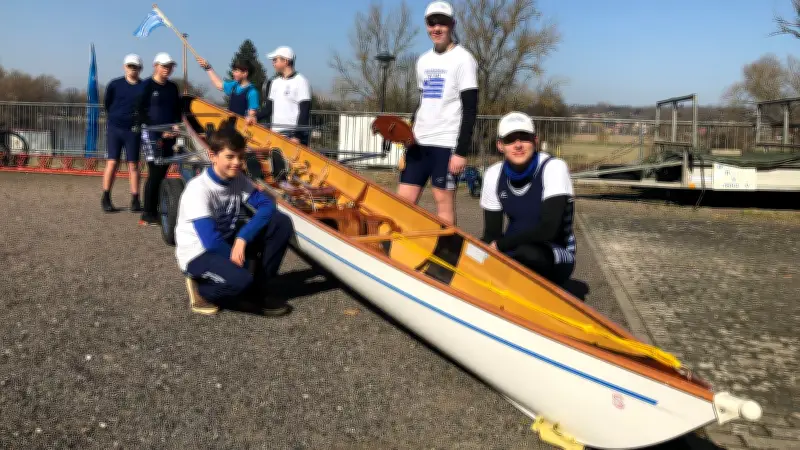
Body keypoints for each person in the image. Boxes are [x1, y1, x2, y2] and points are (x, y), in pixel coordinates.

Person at [174, 124, 294, 316]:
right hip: (200, 253)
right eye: (230, 157)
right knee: (241, 280)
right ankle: (202, 289)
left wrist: (243, 238)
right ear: (212, 156)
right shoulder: (198, 190)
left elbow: (267, 206)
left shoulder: (238, 179)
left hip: (227, 240)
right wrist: (245, 265)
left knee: (280, 222)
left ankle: (260, 286)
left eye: (241, 156)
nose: (237, 163)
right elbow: (211, 242)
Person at [398, 0, 478, 225]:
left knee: (442, 204)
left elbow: (470, 109)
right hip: (419, 143)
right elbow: (422, 102)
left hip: (446, 143)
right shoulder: (423, 61)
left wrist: (461, 151)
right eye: (432, 23)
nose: (436, 28)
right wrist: (408, 139)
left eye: (442, 23)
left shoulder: (464, 59)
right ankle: (399, 254)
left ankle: (446, 257)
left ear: (452, 24)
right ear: (426, 25)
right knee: (402, 202)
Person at [479, 112, 577, 287]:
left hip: (555, 250)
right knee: (470, 250)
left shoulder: (553, 167)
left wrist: (501, 246)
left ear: (535, 140)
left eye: (524, 138)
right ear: (500, 145)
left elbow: (549, 230)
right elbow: (491, 235)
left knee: (527, 254)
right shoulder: (493, 174)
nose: (518, 145)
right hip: (514, 248)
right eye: (510, 139)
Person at [133, 52, 183, 226]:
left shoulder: (172, 87)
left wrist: (176, 125)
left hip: (170, 134)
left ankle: (157, 209)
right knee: (155, 172)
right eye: (164, 66)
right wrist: (159, 132)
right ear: (155, 66)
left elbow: (177, 110)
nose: (167, 70)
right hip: (152, 134)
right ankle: (147, 213)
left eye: (169, 66)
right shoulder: (146, 86)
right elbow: (139, 112)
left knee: (163, 172)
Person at [101, 54, 145, 213]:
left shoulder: (144, 86)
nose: (132, 70)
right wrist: (115, 117)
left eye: (136, 67)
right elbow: (107, 103)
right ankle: (106, 196)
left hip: (133, 130)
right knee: (112, 162)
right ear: (124, 67)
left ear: (140, 69)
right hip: (115, 128)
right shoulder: (114, 84)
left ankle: (135, 199)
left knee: (133, 164)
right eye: (130, 66)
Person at [257, 46, 312, 145]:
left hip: (292, 136)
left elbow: (304, 111)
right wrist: (255, 117)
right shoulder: (275, 82)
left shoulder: (301, 81)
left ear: (286, 61)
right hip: (276, 134)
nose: (273, 63)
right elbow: (268, 109)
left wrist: (297, 136)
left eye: (275, 60)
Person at [195, 56, 259, 125]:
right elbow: (218, 84)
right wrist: (208, 67)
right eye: (233, 70)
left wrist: (251, 117)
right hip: (230, 126)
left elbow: (251, 114)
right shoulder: (234, 85)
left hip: (242, 129)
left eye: (236, 71)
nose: (233, 73)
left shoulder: (252, 92)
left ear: (245, 73)